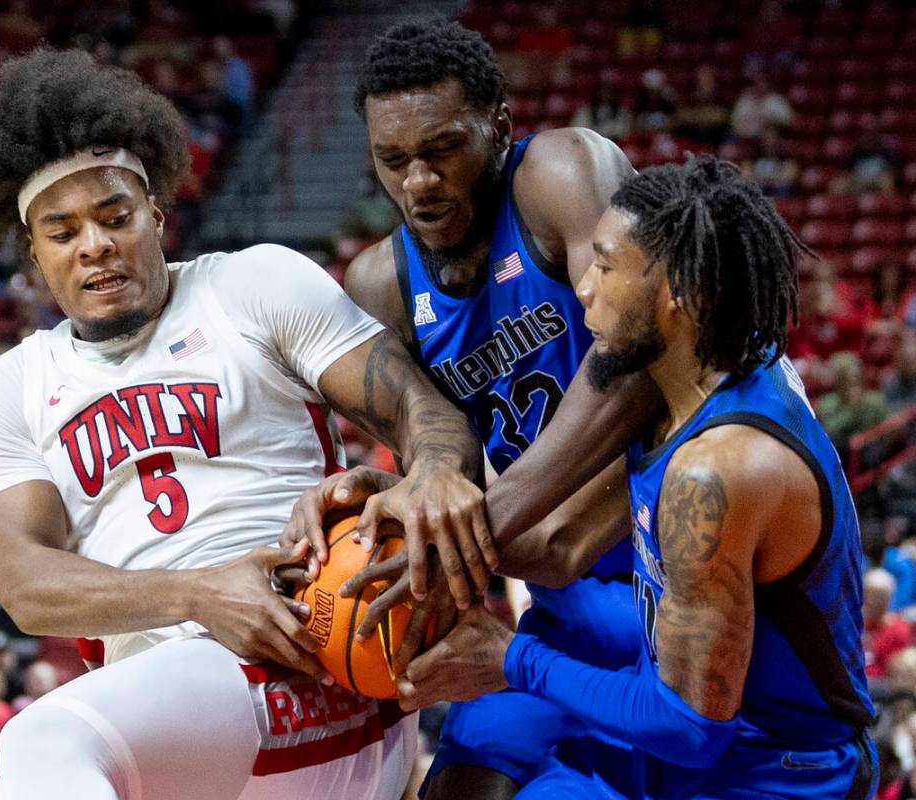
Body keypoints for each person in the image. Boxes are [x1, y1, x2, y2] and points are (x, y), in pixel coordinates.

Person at [0, 48, 492, 800]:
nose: (95, 244)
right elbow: (25, 583)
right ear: (34, 257)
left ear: (158, 217)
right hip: (175, 719)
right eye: (63, 232)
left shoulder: (250, 285)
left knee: (44, 737)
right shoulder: (0, 388)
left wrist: (429, 476)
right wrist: (198, 594)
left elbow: (417, 408)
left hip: (319, 651)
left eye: (114, 216)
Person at [399, 156, 878, 797]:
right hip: (691, 738)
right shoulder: (689, 369)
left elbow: (690, 727)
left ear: (681, 292)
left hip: (778, 770)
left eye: (604, 265)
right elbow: (555, 546)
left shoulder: (716, 470)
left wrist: (510, 658)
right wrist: (407, 506)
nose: (583, 287)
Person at [280, 19, 655, 800]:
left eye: (442, 149)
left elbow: (632, 358)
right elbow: (438, 471)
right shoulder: (380, 284)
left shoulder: (558, 172)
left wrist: (495, 515)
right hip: (560, 604)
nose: (419, 180)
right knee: (456, 788)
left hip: (665, 556)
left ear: (499, 126)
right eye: (394, 160)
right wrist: (381, 505)